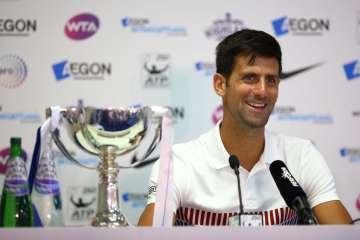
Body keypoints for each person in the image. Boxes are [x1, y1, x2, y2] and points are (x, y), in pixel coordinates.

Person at [138, 29, 352, 226]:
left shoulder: (302, 156)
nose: (262, 91)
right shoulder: (177, 163)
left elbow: (343, 233)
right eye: (250, 78)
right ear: (220, 85)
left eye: (271, 80)